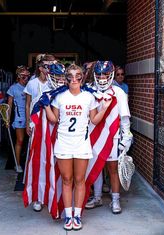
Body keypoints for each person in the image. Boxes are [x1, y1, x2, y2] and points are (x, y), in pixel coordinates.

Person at [42, 64, 112, 231]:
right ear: (66, 79)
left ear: (82, 78)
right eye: (70, 77)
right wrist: (45, 106)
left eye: (78, 76)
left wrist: (105, 108)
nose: (74, 79)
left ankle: (77, 215)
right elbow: (53, 120)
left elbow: (95, 120)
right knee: (67, 180)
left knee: (80, 181)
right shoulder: (60, 97)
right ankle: (68, 215)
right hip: (64, 143)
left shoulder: (89, 97)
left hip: (81, 143)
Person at [85, 61, 133, 214]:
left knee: (113, 169)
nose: (101, 77)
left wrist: (126, 136)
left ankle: (115, 199)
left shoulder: (118, 92)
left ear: (110, 74)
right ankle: (97, 197)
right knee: (96, 167)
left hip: (112, 136)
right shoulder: (89, 90)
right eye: (98, 74)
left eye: (105, 74)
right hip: (93, 134)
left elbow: (124, 117)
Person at [24, 54, 65, 212]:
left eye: (61, 76)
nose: (57, 78)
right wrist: (30, 123)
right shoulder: (41, 90)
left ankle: (59, 195)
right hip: (43, 133)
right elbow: (31, 106)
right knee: (40, 163)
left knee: (60, 165)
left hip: (62, 135)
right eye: (49, 68)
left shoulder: (69, 92)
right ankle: (39, 197)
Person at [7, 65, 30, 173]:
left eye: (27, 76)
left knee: (31, 141)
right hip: (20, 117)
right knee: (20, 140)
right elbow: (9, 105)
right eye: (24, 76)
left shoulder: (30, 86)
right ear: (19, 76)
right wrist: (7, 118)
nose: (26, 78)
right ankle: (17, 164)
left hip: (30, 117)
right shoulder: (13, 88)